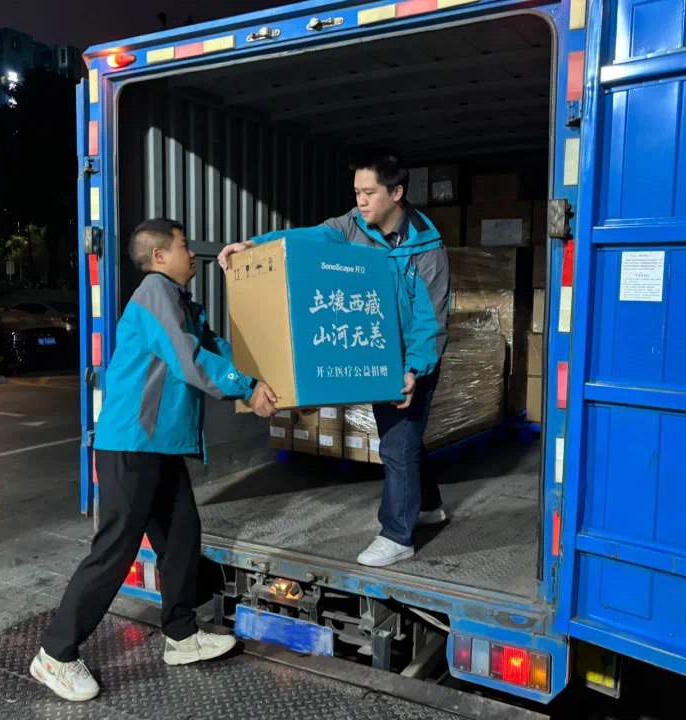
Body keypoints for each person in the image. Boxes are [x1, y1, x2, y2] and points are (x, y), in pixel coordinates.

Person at [31, 218, 278, 702]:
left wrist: (263, 370)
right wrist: (247, 388)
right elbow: (190, 359)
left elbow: (212, 347)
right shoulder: (155, 294)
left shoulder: (179, 300)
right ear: (160, 256)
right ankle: (55, 655)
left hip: (158, 448)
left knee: (182, 536)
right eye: (184, 246)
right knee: (115, 550)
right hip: (132, 446)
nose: (193, 254)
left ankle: (182, 636)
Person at [217, 150, 450, 568]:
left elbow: (429, 318)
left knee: (397, 444)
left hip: (413, 362)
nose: (360, 201)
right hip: (378, 354)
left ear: (396, 193)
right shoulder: (353, 226)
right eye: (357, 192)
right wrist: (255, 245)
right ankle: (429, 506)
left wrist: (414, 369)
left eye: (369, 193)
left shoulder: (426, 246)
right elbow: (308, 237)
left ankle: (398, 535)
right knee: (406, 439)